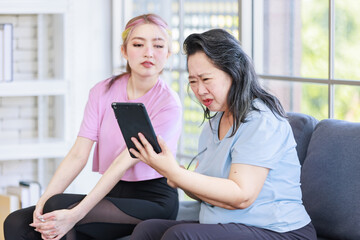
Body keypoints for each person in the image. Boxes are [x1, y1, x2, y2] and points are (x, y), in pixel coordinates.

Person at [4, 13, 182, 240]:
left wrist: (76, 213)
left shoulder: (168, 103)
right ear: (124, 51)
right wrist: (43, 200)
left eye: (158, 45)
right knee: (17, 222)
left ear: (168, 54)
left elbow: (122, 162)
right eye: (138, 44)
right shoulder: (102, 91)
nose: (149, 52)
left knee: (61, 209)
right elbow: (79, 153)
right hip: (116, 192)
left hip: (153, 199)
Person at [128, 29, 317, 240]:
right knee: (148, 230)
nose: (199, 90)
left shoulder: (261, 120)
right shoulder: (213, 124)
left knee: (179, 235)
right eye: (192, 81)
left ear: (234, 72)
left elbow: (241, 196)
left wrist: (178, 174)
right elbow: (206, 193)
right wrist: (177, 176)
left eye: (206, 79)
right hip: (230, 224)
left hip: (279, 231)